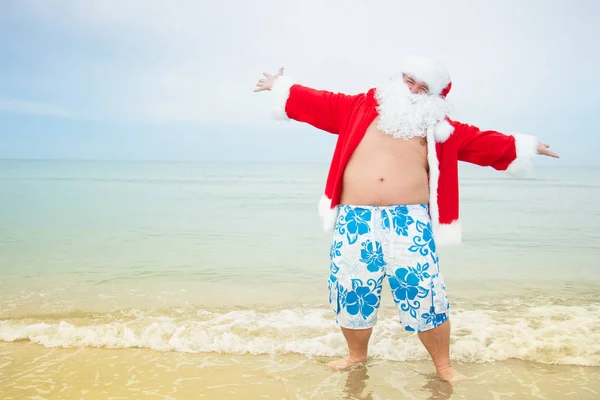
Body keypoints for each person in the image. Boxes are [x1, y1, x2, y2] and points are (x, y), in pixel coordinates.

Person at [253, 55, 559, 382]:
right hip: (356, 219)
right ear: (399, 79)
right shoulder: (359, 107)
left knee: (424, 291)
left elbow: (481, 142)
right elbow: (321, 102)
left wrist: (524, 147)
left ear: (433, 96)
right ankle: (356, 356)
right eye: (409, 81)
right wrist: (281, 87)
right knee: (352, 289)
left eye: (422, 87)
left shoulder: (438, 128)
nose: (412, 90)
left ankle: (444, 367)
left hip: (409, 222)